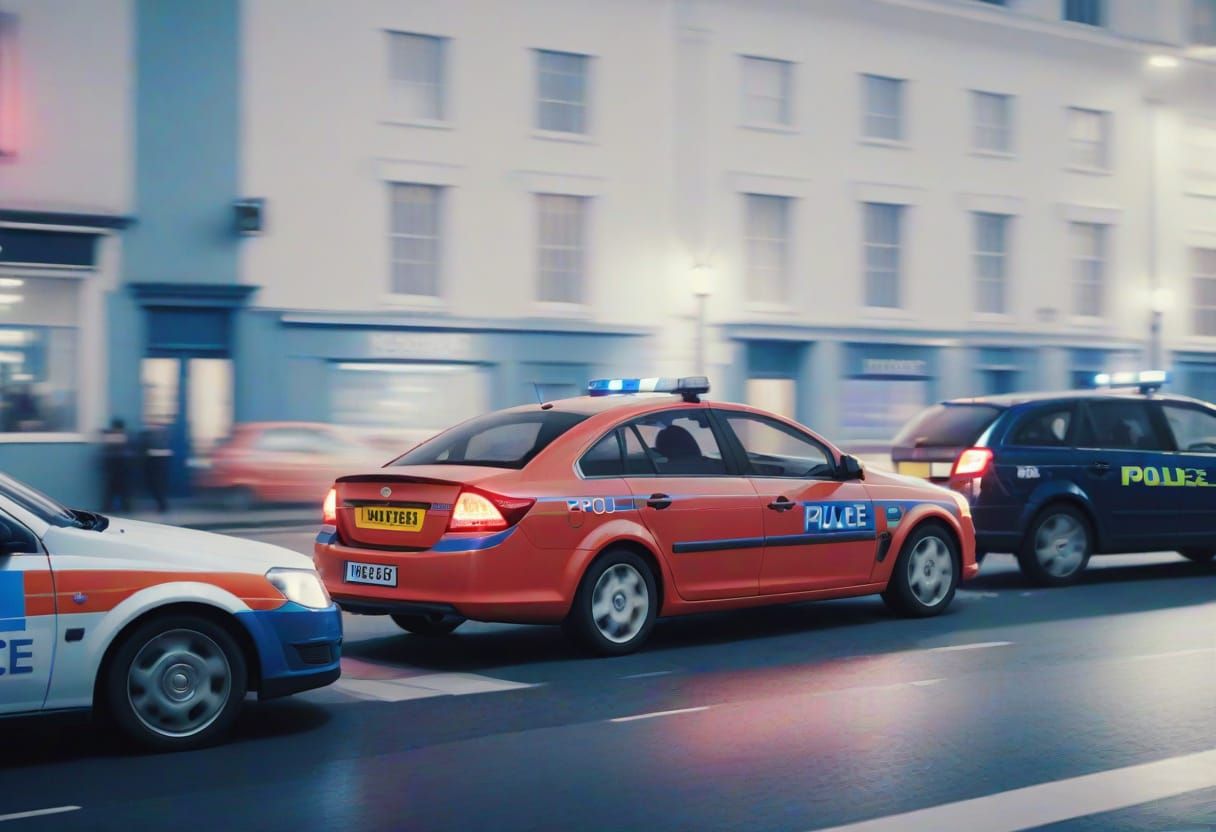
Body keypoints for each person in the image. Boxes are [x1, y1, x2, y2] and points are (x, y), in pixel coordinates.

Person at [101, 418, 133, 512]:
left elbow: (107, 450)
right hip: (123, 467)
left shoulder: (110, 436)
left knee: (111, 489)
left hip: (113, 467)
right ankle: (126, 507)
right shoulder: (126, 435)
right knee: (123, 489)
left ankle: (108, 507)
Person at [140, 421, 172, 514]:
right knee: (159, 483)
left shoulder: (149, 434)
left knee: (155, 484)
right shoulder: (165, 434)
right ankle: (162, 504)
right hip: (161, 461)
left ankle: (162, 505)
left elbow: (145, 446)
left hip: (152, 461)